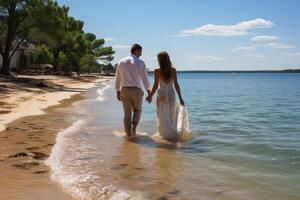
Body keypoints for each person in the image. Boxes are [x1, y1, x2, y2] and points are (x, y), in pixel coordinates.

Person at [146, 51, 188, 142]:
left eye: (157, 58)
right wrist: (180, 98)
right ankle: (171, 135)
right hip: (171, 95)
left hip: (161, 95)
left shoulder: (157, 71)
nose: (156, 60)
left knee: (161, 116)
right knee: (170, 115)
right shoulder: (173, 70)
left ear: (160, 60)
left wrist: (150, 96)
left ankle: (165, 135)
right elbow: (176, 84)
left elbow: (155, 85)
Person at [115, 44, 151, 137]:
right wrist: (149, 91)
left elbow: (117, 77)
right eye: (140, 51)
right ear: (136, 51)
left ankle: (128, 135)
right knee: (137, 110)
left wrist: (118, 91)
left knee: (127, 114)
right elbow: (145, 78)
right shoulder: (141, 63)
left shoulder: (121, 62)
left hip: (124, 90)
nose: (141, 54)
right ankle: (133, 128)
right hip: (136, 90)